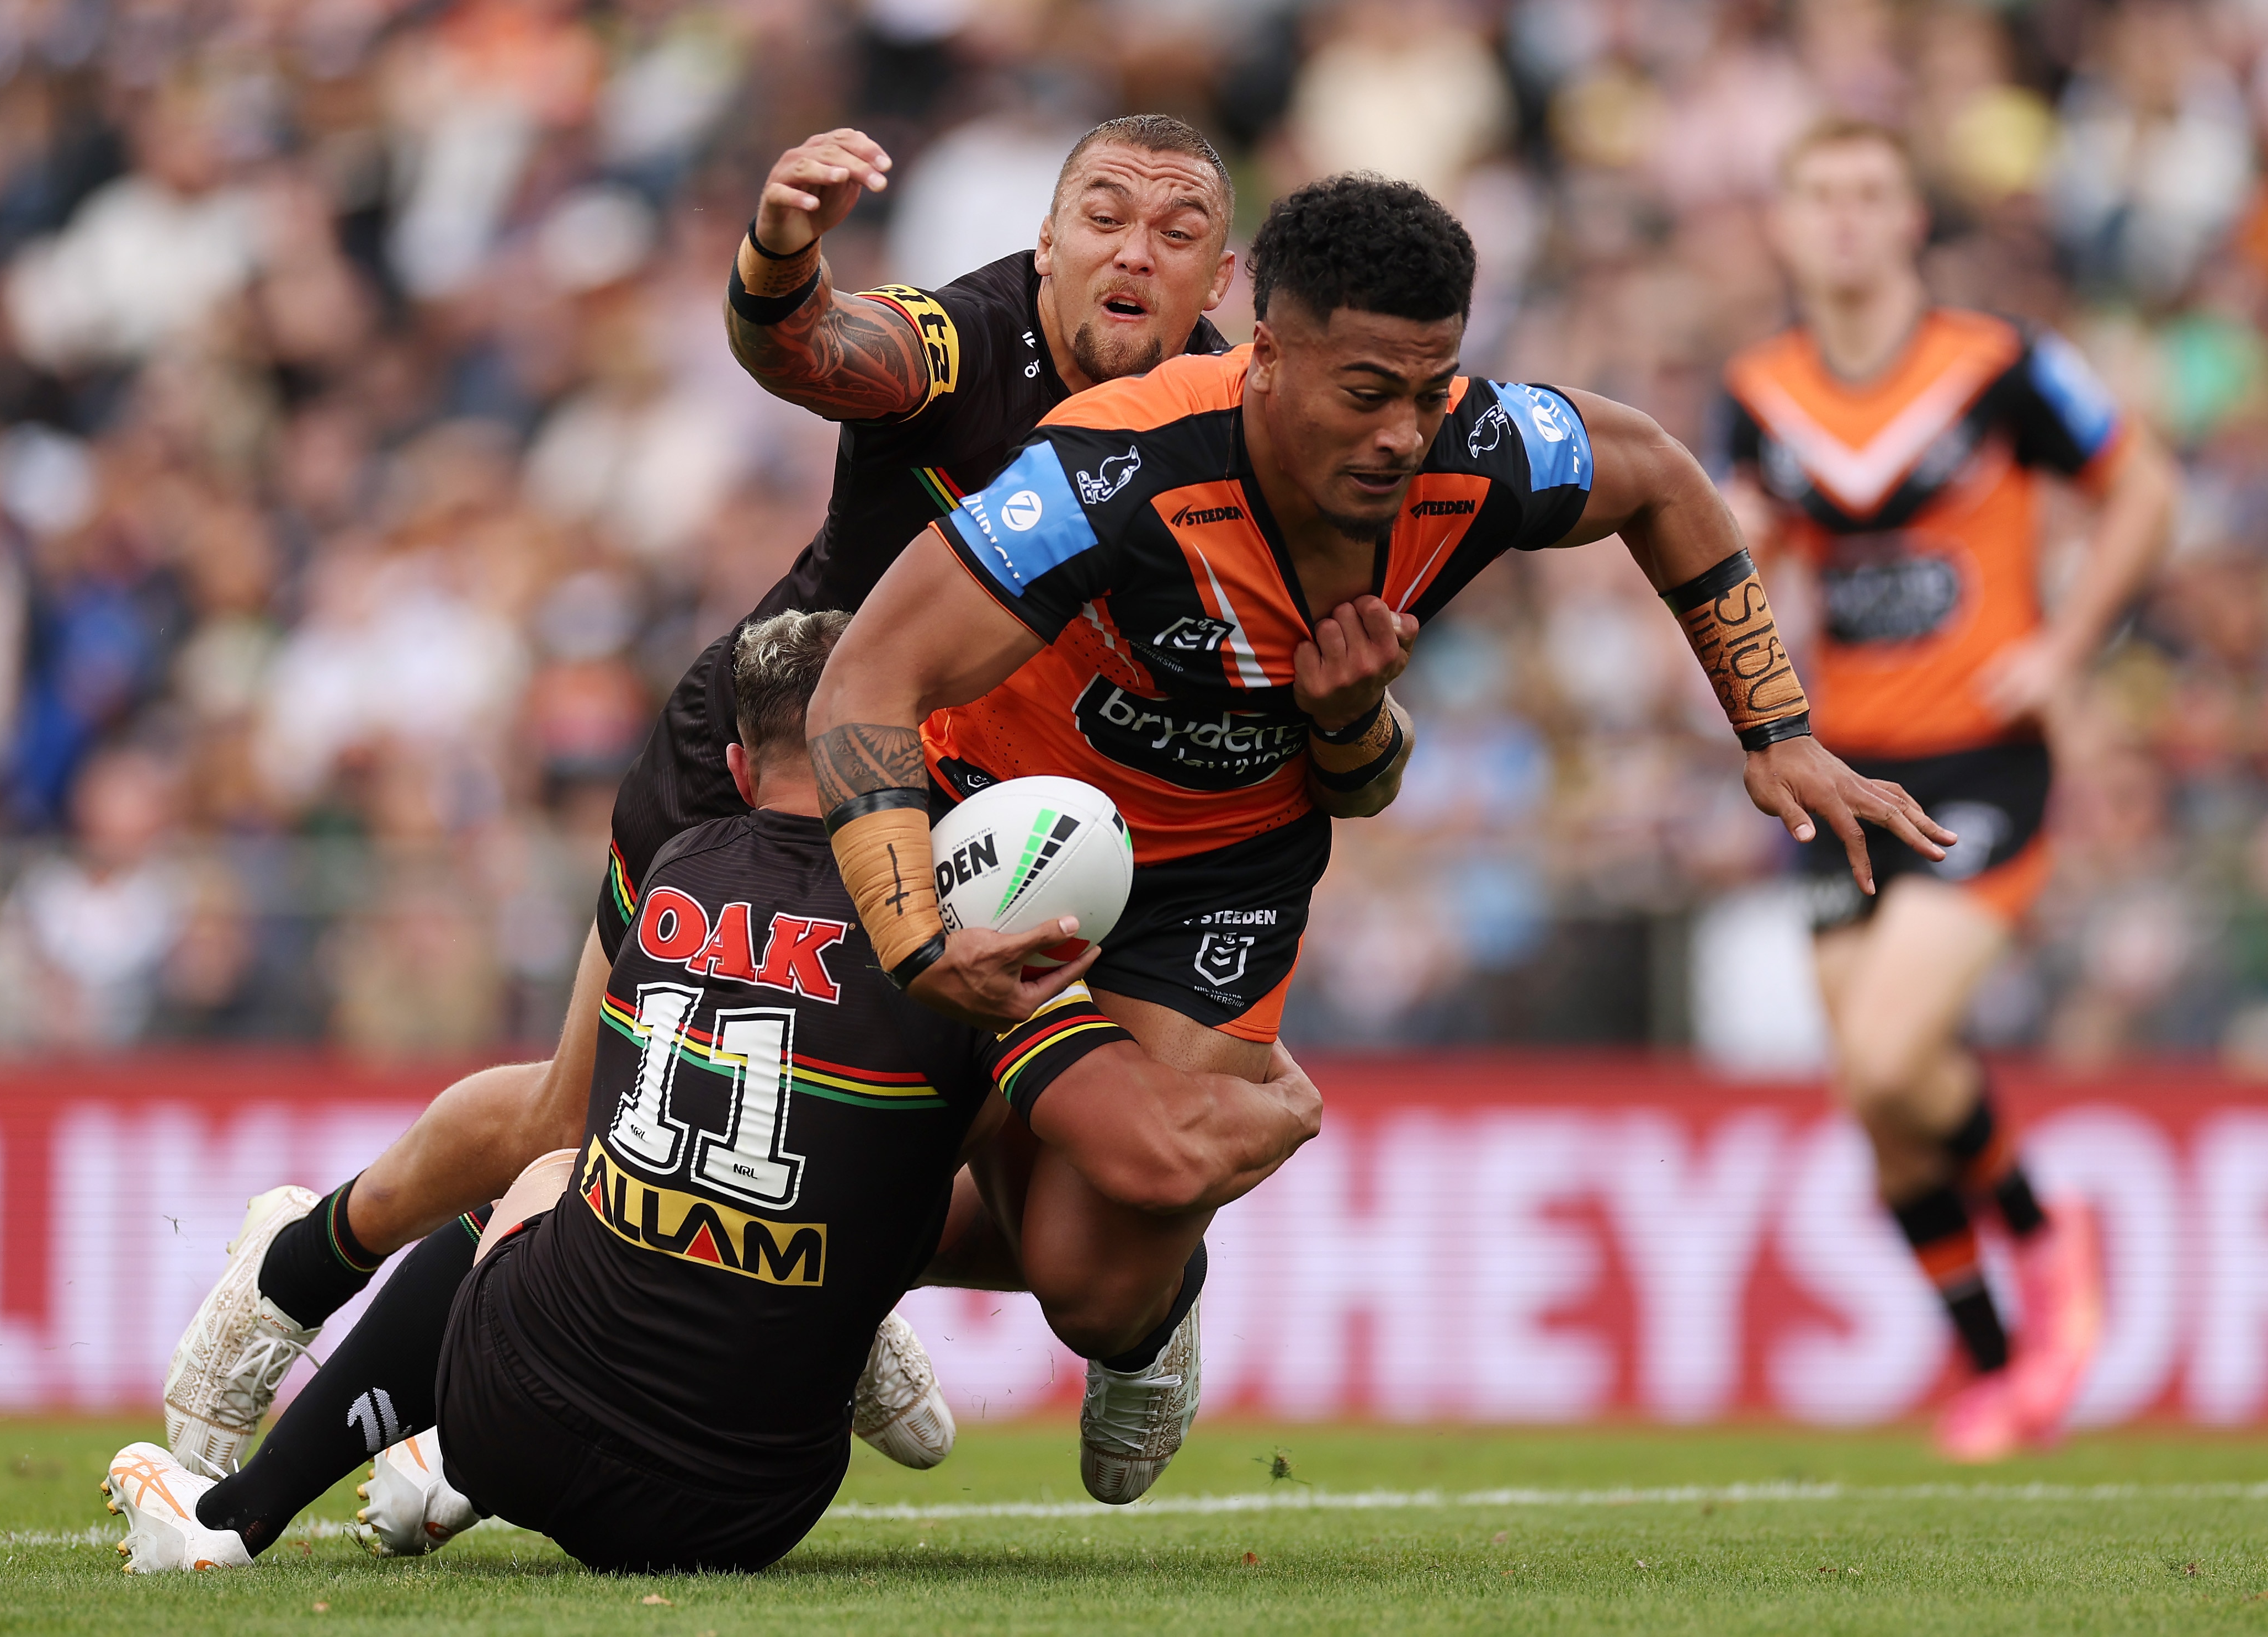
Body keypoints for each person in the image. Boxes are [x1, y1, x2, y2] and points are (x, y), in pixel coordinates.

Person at [160, 114, 1242, 1490]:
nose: (1130, 250)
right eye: (1101, 215)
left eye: (1173, 229)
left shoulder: (1238, 421)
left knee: (948, 1155)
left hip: (989, 801)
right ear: (1045, 236)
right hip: (773, 741)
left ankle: (963, 1306)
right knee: (577, 1119)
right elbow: (808, 344)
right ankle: (290, 1272)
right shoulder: (967, 340)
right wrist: (780, 248)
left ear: (1221, 278)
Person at [804, 173, 1958, 1441]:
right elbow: (865, 679)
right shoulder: (1111, 471)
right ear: (1265, 355)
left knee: (1094, 1281)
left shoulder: (1481, 445)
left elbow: (1661, 479)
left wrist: (1775, 728)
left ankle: (1151, 1277)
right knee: (846, 1174)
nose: (1404, 433)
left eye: (1430, 387)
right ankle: (853, 1276)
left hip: (1220, 871)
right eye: (1365, 393)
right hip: (1013, 828)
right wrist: (916, 935)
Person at [103, 611, 1321, 1574]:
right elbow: (1136, 1156)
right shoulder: (952, 941)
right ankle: (945, 1324)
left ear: (735, 765)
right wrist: (1280, 1109)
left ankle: (238, 1517)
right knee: (908, 1160)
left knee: (568, 1168)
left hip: (514, 1420)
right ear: (903, 746)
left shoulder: (680, 859)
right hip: (755, 1510)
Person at [1722, 119, 2176, 1461]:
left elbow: (2139, 488)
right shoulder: (1755, 390)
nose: (1848, 220)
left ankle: (2044, 1235)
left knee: (1884, 1055)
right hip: (1837, 772)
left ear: (1912, 218)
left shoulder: (2002, 363)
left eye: (1872, 194)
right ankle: (1997, 1371)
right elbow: (1739, 546)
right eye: (1822, 197)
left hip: (1981, 758)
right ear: (1783, 228)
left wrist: (2065, 638)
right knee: (1879, 1098)